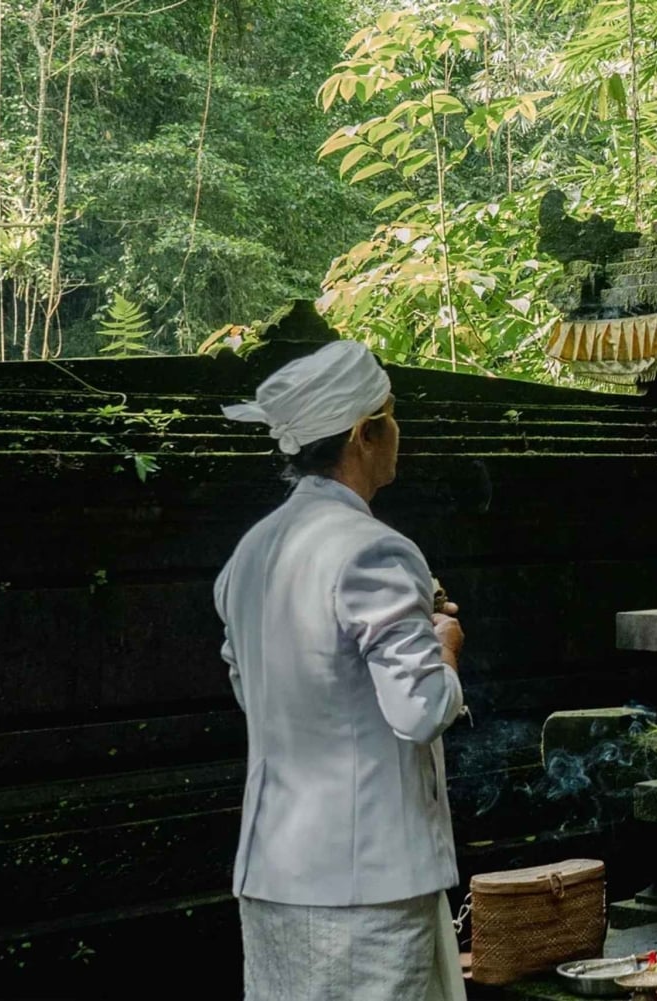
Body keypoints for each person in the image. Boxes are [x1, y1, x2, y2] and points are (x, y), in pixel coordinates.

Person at [213, 339, 467, 1001]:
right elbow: (420, 710)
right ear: (363, 434)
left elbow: (251, 688)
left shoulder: (250, 551)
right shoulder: (373, 549)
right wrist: (444, 645)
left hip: (274, 872)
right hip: (368, 887)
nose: (398, 431)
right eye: (392, 415)